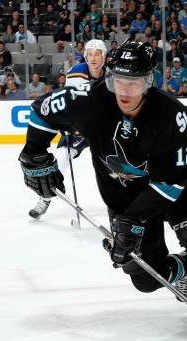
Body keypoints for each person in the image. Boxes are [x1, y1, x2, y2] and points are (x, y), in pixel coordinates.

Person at [18, 40, 187, 339]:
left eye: (135, 82)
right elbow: (42, 111)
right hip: (124, 200)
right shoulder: (86, 100)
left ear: (149, 80)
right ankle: (184, 266)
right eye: (118, 82)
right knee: (146, 279)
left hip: (174, 193)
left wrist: (133, 220)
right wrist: (33, 153)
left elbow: (174, 181)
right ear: (109, 78)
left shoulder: (171, 116)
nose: (125, 91)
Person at [28, 39, 108, 220]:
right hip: (79, 129)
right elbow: (73, 104)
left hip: (103, 129)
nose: (93, 58)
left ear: (104, 56)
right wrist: (74, 125)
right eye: (90, 54)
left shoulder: (111, 75)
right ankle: (45, 197)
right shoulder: (77, 72)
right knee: (60, 161)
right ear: (85, 56)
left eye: (97, 54)